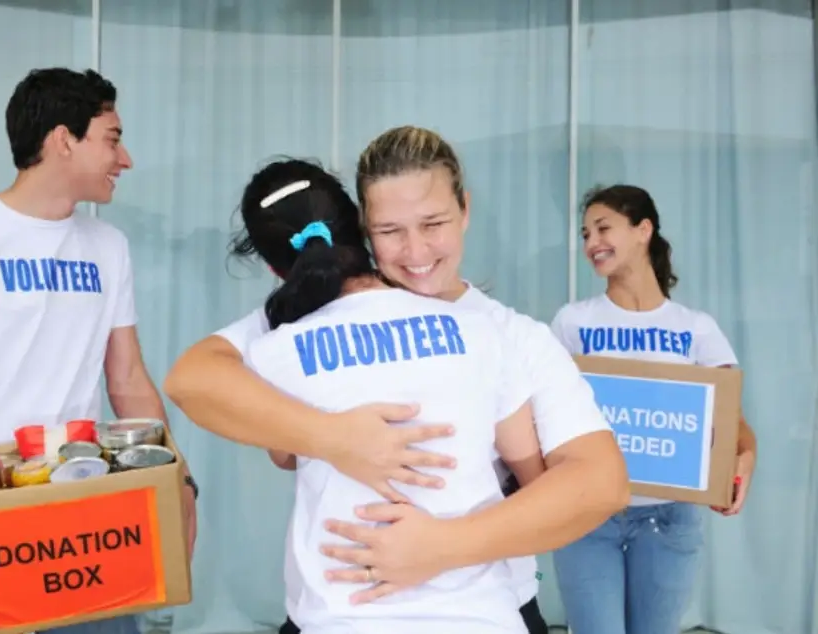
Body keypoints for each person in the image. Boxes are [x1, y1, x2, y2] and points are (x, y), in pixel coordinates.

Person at [164, 125, 629, 632]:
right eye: (390, 231)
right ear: (363, 230)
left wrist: (443, 547)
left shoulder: (509, 333)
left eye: (434, 223)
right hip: (342, 613)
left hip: (484, 605)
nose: (416, 251)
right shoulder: (307, 313)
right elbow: (194, 378)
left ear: (465, 210)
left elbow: (599, 482)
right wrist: (338, 439)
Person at [0, 67, 197, 634]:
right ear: (63, 139)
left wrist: (179, 480)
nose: (124, 158)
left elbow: (127, 379)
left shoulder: (107, 246)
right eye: (112, 137)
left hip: (88, 514)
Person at [231, 157, 553, 633]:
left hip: (341, 616)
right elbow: (534, 476)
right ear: (360, 230)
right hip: (478, 616)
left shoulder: (274, 352)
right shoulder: (482, 330)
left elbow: (286, 455)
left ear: (276, 268)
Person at [549, 184, 757, 634]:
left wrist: (743, 460)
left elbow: (732, 421)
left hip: (669, 518)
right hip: (588, 511)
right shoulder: (572, 322)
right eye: (585, 234)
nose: (591, 244)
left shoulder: (696, 329)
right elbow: (546, 414)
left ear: (643, 230)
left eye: (603, 228)